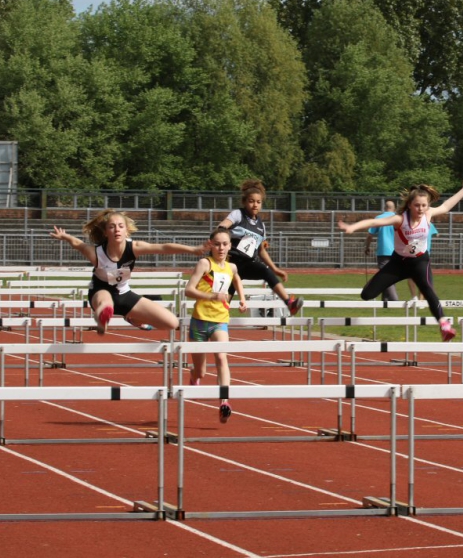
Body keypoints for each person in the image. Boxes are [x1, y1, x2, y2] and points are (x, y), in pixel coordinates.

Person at [338, 176, 463, 342]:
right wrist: (353, 227)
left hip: (420, 262)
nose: (421, 209)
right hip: (398, 263)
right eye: (417, 205)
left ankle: (444, 326)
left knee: (429, 291)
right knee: (367, 294)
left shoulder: (428, 214)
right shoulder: (399, 220)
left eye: (424, 205)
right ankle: (378, 286)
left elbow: (446, 206)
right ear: (409, 205)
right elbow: (375, 221)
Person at [50, 209, 208, 335]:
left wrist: (193, 249)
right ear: (106, 232)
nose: (116, 230)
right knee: (106, 305)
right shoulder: (96, 253)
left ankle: (131, 318)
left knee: (172, 323)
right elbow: (78, 244)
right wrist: (65, 236)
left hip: (124, 294)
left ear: (127, 231)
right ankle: (102, 317)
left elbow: (163, 247)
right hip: (101, 291)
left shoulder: (134, 247)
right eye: (112, 227)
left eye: (120, 226)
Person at [185, 226, 248, 423]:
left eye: (225, 244)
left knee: (222, 357)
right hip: (199, 322)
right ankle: (194, 377)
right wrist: (213, 296)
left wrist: (243, 299)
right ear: (211, 245)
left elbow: (237, 279)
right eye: (217, 244)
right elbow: (188, 290)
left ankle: (224, 401)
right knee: (201, 370)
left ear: (230, 246)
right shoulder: (205, 263)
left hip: (220, 320)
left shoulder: (232, 267)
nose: (221, 248)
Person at [218, 179, 303, 316]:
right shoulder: (238, 215)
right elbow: (222, 227)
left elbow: (261, 251)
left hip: (248, 264)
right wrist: (224, 235)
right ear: (245, 202)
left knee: (266, 271)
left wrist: (276, 269)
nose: (255, 205)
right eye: (251, 201)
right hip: (231, 264)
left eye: (258, 202)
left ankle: (289, 304)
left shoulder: (261, 226)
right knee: (221, 307)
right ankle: (210, 320)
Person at [365, 200, 399, 301]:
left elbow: (370, 235)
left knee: (385, 275)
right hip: (397, 251)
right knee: (391, 275)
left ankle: (394, 299)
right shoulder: (398, 219)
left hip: (383, 251)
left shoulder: (379, 218)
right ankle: (385, 300)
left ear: (384, 208)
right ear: (394, 208)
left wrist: (367, 247)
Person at [407, 222, 438, 301]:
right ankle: (421, 299)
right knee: (423, 277)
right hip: (425, 252)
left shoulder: (412, 223)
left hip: (414, 251)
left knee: (411, 276)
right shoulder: (429, 224)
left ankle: (414, 297)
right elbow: (436, 234)